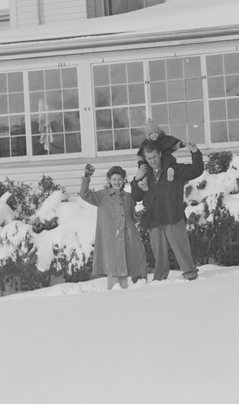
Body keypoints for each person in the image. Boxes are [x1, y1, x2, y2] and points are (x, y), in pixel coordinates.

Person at [136, 139, 203, 281]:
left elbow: (196, 170)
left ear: (160, 154)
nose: (152, 161)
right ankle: (160, 277)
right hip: (153, 217)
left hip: (173, 214)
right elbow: (136, 195)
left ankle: (189, 271)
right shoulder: (145, 174)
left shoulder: (175, 169)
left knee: (181, 245)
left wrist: (195, 152)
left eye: (154, 157)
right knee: (158, 251)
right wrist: (137, 181)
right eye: (149, 158)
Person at [79, 164, 148, 290]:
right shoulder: (102, 196)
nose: (117, 182)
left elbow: (133, 218)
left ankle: (128, 292)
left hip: (127, 238)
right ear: (109, 180)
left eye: (120, 179)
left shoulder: (128, 197)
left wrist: (138, 214)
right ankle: (114, 296)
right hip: (110, 240)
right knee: (114, 270)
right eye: (114, 179)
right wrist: (86, 178)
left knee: (128, 267)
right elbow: (84, 194)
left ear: (124, 180)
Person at [131, 118, 185, 191]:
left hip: (165, 160)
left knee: (169, 161)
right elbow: (140, 155)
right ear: (148, 135)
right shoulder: (146, 144)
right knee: (147, 169)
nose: (154, 135)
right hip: (152, 163)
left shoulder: (165, 140)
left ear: (159, 133)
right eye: (151, 134)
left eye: (155, 133)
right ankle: (145, 182)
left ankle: (170, 174)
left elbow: (173, 145)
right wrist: (141, 164)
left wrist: (181, 144)